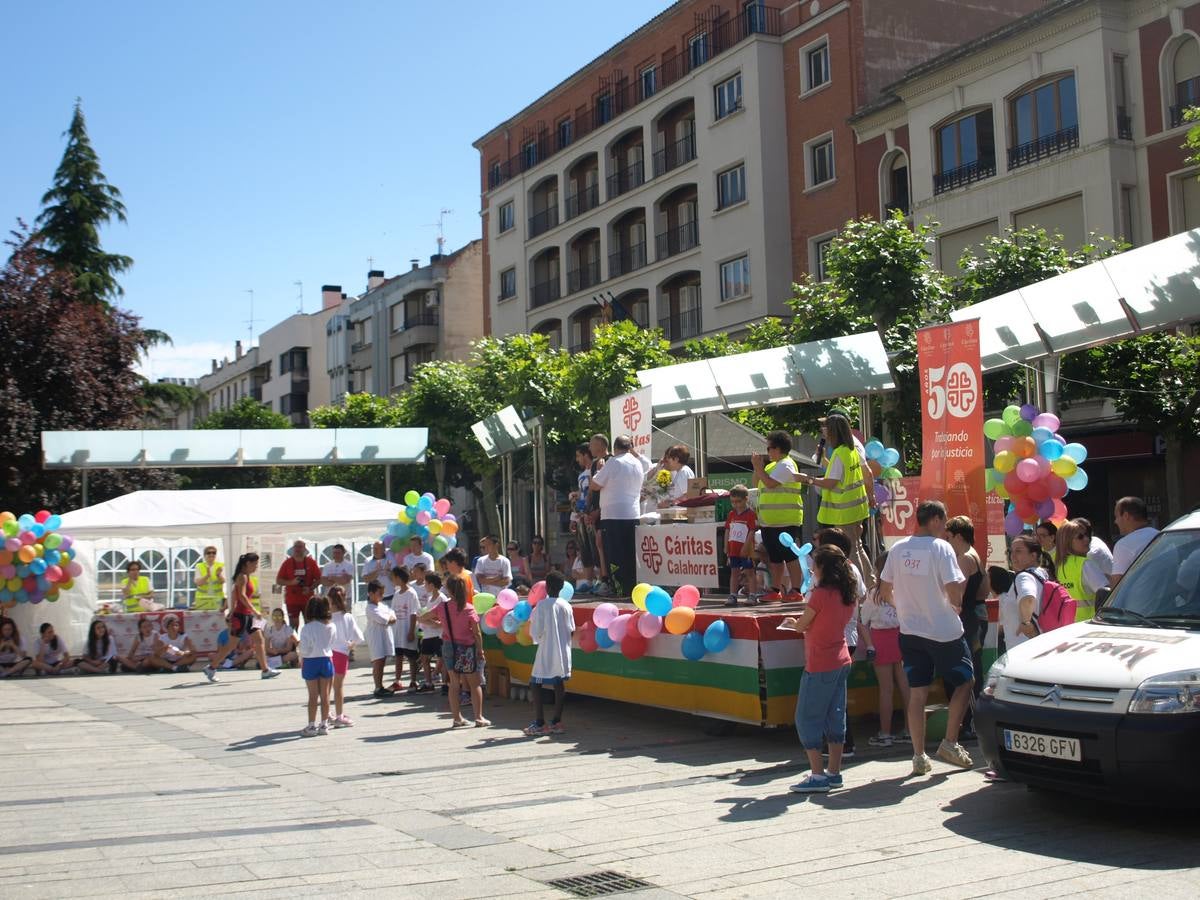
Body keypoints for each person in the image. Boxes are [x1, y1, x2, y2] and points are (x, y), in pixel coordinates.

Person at [879, 500, 974, 776]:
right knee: (966, 681)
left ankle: (918, 756)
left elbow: (885, 590)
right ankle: (950, 742)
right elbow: (954, 588)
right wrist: (955, 605)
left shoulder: (897, 548)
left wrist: (905, 608)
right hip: (943, 630)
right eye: (944, 523)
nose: (945, 529)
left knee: (917, 693)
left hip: (910, 631)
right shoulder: (941, 547)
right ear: (934, 520)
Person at [781, 546, 857, 793]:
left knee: (807, 717)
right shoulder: (848, 592)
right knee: (836, 716)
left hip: (820, 662)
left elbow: (803, 625)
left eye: (815, 564)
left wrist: (794, 623)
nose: (811, 567)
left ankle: (817, 774)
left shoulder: (821, 594)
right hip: (841, 658)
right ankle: (834, 772)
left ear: (823, 567)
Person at [812, 527, 866, 757]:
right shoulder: (852, 569)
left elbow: (813, 605)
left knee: (831, 695)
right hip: (846, 636)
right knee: (835, 694)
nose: (814, 547)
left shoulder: (832, 573)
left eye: (818, 543)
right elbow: (861, 594)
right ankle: (841, 743)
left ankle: (841, 743)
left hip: (835, 638)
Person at [805, 413, 874, 588]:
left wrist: (807, 479)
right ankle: (870, 583)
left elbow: (831, 482)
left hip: (844, 513)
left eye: (825, 427)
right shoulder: (850, 450)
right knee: (857, 547)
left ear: (833, 431)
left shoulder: (840, 453)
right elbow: (842, 474)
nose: (823, 431)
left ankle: (860, 589)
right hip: (856, 509)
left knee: (851, 552)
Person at [418, 573, 489, 728]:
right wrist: (480, 650)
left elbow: (422, 618)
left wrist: (439, 623)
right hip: (467, 648)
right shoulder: (468, 608)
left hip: (449, 645)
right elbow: (477, 633)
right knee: (474, 683)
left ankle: (457, 718)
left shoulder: (442, 607)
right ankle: (479, 717)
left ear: (449, 590)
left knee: (454, 683)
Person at [590, 434, 652, 596]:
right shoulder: (637, 463)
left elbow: (594, 485)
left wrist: (599, 470)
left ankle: (618, 589)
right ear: (629, 447)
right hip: (633, 514)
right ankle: (632, 588)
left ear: (615, 449)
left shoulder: (613, 462)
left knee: (615, 554)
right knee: (631, 553)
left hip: (613, 516)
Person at [860, 551, 910, 747]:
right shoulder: (905, 589)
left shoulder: (874, 594)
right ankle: (909, 730)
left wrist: (870, 644)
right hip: (903, 637)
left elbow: (863, 622)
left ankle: (885, 733)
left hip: (881, 639)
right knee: (907, 687)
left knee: (886, 690)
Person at [943, 516, 986, 739]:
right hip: (973, 619)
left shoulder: (964, 559)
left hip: (965, 621)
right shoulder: (975, 555)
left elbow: (955, 597)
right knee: (970, 670)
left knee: (964, 674)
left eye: (948, 537)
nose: (945, 541)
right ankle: (969, 723)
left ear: (958, 536)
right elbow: (984, 591)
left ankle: (968, 723)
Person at [205, 553, 279, 681]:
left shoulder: (246, 577)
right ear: (247, 564)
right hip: (241, 616)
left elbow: (235, 594)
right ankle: (211, 667)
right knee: (231, 646)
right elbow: (242, 596)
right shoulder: (242, 577)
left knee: (259, 639)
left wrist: (233, 610)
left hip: (247, 615)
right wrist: (254, 611)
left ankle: (265, 670)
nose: (256, 566)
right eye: (254, 564)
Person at [751, 430, 805, 602]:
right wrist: (757, 468)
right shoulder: (770, 466)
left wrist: (759, 468)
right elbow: (757, 483)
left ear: (778, 448)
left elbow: (770, 483)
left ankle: (796, 590)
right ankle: (776, 589)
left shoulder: (786, 464)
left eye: (769, 448)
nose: (767, 452)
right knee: (774, 558)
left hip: (786, 519)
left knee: (789, 556)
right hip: (769, 522)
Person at [525, 570, 575, 736]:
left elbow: (536, 631)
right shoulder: (566, 605)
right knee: (558, 683)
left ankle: (540, 722)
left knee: (535, 683)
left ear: (546, 587)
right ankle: (557, 721)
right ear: (562, 587)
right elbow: (572, 630)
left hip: (547, 650)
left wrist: (536, 637)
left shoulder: (542, 605)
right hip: (562, 650)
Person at [1054, 519, 1112, 621]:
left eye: (1087, 535)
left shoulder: (1060, 566)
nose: (1087, 539)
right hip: (1089, 623)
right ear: (1067, 541)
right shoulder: (1085, 564)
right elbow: (1107, 593)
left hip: (1068, 624)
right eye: (1080, 537)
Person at [1000, 535, 1047, 652]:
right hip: (1038, 646)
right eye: (1011, 551)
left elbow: (1028, 599)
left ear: (1033, 555)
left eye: (1019, 551)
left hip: (1023, 649)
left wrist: (1026, 624)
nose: (1013, 556)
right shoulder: (1042, 574)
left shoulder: (1023, 576)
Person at [298, 595, 335, 737]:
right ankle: (324, 724)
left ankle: (311, 725)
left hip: (310, 661)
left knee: (313, 696)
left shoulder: (307, 628)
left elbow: (305, 648)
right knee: (325, 695)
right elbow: (332, 642)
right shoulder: (331, 626)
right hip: (326, 660)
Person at [328, 586, 364, 727]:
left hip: (328, 654)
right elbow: (359, 637)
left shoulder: (326, 618)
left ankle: (327, 714)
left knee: (326, 688)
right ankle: (339, 715)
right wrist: (351, 645)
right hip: (342, 654)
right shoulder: (347, 617)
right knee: (339, 687)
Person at [1110, 496, 1159, 587]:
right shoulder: (1162, 537)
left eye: (1116, 516)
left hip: (1141, 600)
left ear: (1126, 516)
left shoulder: (1123, 545)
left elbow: (1117, 588)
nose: (1115, 521)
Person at [570, 443, 598, 594]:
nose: (577, 459)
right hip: (581, 515)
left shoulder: (596, 469)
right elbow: (581, 494)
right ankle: (588, 581)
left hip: (593, 514)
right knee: (585, 548)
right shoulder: (581, 475)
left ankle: (599, 579)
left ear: (585, 454)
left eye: (578, 456)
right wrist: (573, 517)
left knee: (595, 548)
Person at [585, 434, 612, 595]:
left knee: (603, 543)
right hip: (595, 511)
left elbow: (608, 487)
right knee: (598, 544)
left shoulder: (610, 461)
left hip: (606, 511)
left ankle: (607, 580)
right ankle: (603, 578)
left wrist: (599, 511)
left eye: (592, 445)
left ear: (601, 445)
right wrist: (587, 508)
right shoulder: (594, 464)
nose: (590, 448)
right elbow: (591, 487)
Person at [724, 485, 758, 607]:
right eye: (733, 502)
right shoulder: (731, 514)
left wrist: (746, 547)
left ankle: (753, 595)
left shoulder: (750, 514)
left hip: (746, 550)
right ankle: (733, 595)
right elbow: (728, 530)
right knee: (734, 572)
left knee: (749, 572)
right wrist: (725, 546)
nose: (736, 504)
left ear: (745, 499)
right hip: (733, 549)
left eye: (738, 501)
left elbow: (752, 531)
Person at [388, 566, 420, 693]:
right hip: (397, 631)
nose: (392, 580)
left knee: (412, 657)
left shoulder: (411, 593)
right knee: (399, 656)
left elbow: (413, 613)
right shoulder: (396, 593)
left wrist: (411, 631)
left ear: (399, 578)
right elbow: (393, 611)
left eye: (393, 577)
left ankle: (413, 680)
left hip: (408, 630)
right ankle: (397, 681)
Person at [275, 540, 321, 629]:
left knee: (310, 624)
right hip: (292, 599)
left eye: (300, 547)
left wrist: (310, 588)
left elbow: (319, 579)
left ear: (304, 548)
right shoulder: (287, 563)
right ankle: (294, 643)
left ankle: (309, 642)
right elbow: (279, 580)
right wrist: (291, 582)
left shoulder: (311, 562)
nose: (297, 549)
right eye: (296, 546)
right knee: (293, 625)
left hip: (308, 599)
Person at [364, 579, 397, 698]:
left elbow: (392, 614)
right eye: (379, 594)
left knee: (382, 661)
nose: (382, 596)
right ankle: (378, 687)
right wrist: (389, 618)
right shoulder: (370, 608)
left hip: (383, 636)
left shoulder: (382, 605)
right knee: (378, 661)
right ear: (371, 594)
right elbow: (385, 620)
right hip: (375, 637)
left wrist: (390, 617)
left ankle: (381, 686)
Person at [417, 572, 447, 692]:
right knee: (425, 659)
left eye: (426, 583)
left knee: (442, 659)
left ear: (432, 585)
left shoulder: (442, 598)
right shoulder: (430, 598)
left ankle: (445, 684)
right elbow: (429, 617)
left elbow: (440, 618)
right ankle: (429, 683)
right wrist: (427, 620)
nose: (425, 585)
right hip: (428, 634)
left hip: (439, 634)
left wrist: (427, 619)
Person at [193, 546, 226, 611]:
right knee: (202, 620)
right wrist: (207, 576)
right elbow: (198, 583)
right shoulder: (199, 566)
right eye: (209, 553)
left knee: (218, 619)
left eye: (214, 553)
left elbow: (223, 581)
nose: (211, 554)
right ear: (204, 555)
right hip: (202, 600)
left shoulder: (221, 565)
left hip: (217, 599)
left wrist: (218, 575)